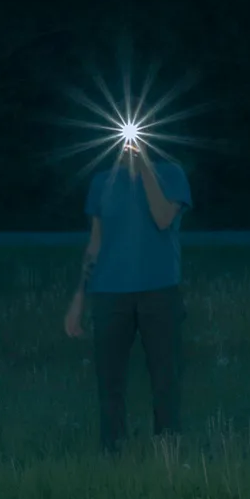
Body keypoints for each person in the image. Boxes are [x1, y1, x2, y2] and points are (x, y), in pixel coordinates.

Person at [61, 131, 190, 446]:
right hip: (109, 291)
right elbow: (95, 242)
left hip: (159, 289)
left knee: (164, 378)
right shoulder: (102, 182)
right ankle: (112, 452)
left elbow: (162, 218)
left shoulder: (171, 174)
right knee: (109, 381)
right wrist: (79, 297)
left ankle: (168, 450)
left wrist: (144, 165)